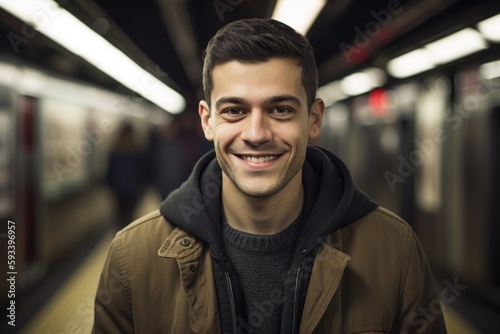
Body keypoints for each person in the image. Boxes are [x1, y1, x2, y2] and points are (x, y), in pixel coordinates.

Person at [93, 18, 447, 333]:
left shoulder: (394, 250)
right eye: (234, 110)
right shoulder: (133, 257)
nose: (257, 133)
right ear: (207, 121)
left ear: (313, 119)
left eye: (280, 109)